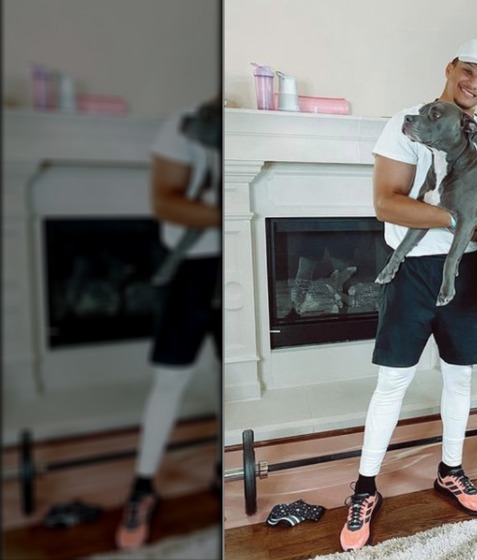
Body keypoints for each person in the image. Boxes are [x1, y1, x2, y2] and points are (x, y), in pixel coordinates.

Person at [338, 39, 477, 551]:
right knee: (393, 382)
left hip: (469, 271)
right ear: (450, 68)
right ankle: (365, 487)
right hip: (411, 270)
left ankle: (451, 470)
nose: (474, 84)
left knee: (459, 379)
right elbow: (387, 203)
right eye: (468, 72)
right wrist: (461, 217)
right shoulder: (408, 123)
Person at [115, 97, 222, 551]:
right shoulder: (182, 124)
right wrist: (227, 213)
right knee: (169, 380)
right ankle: (142, 485)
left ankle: (223, 467)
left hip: (231, 265)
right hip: (190, 269)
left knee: (225, 375)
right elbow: (166, 202)